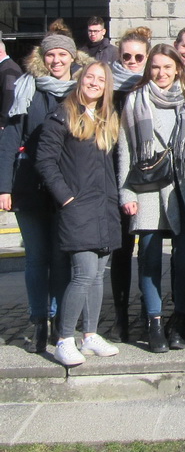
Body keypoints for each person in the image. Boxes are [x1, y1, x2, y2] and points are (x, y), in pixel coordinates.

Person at [117, 43, 185, 353]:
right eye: (155, 67)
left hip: (182, 188)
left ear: (177, 70)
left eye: (167, 67)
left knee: (183, 260)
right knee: (149, 257)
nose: (161, 73)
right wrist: (125, 192)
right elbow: (126, 149)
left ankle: (180, 319)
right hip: (146, 187)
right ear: (149, 70)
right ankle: (154, 322)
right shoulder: (134, 100)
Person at [0, 34, 86, 353]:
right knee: (36, 257)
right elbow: (10, 139)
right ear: (43, 58)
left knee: (61, 257)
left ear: (72, 57)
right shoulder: (27, 88)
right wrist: (3, 187)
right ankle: (40, 319)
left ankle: (61, 321)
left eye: (63, 54)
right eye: (51, 55)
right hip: (30, 186)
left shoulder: (81, 90)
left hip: (66, 189)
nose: (57, 60)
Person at [36, 61, 122, 366]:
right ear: (80, 79)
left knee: (98, 275)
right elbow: (45, 162)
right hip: (77, 209)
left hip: (103, 208)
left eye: (101, 79)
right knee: (83, 273)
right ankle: (64, 338)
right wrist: (66, 198)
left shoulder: (105, 117)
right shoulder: (63, 114)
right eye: (90, 77)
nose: (95, 83)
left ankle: (90, 335)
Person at [106, 26, 152, 343]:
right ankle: (122, 316)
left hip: (149, 177)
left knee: (149, 252)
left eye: (138, 57)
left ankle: (152, 314)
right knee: (121, 251)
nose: (132, 61)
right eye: (127, 56)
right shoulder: (106, 88)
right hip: (112, 176)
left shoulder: (152, 88)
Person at [0, 40, 23, 128]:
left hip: (5, 123)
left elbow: (9, 95)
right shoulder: (5, 67)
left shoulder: (8, 69)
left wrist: (2, 121)